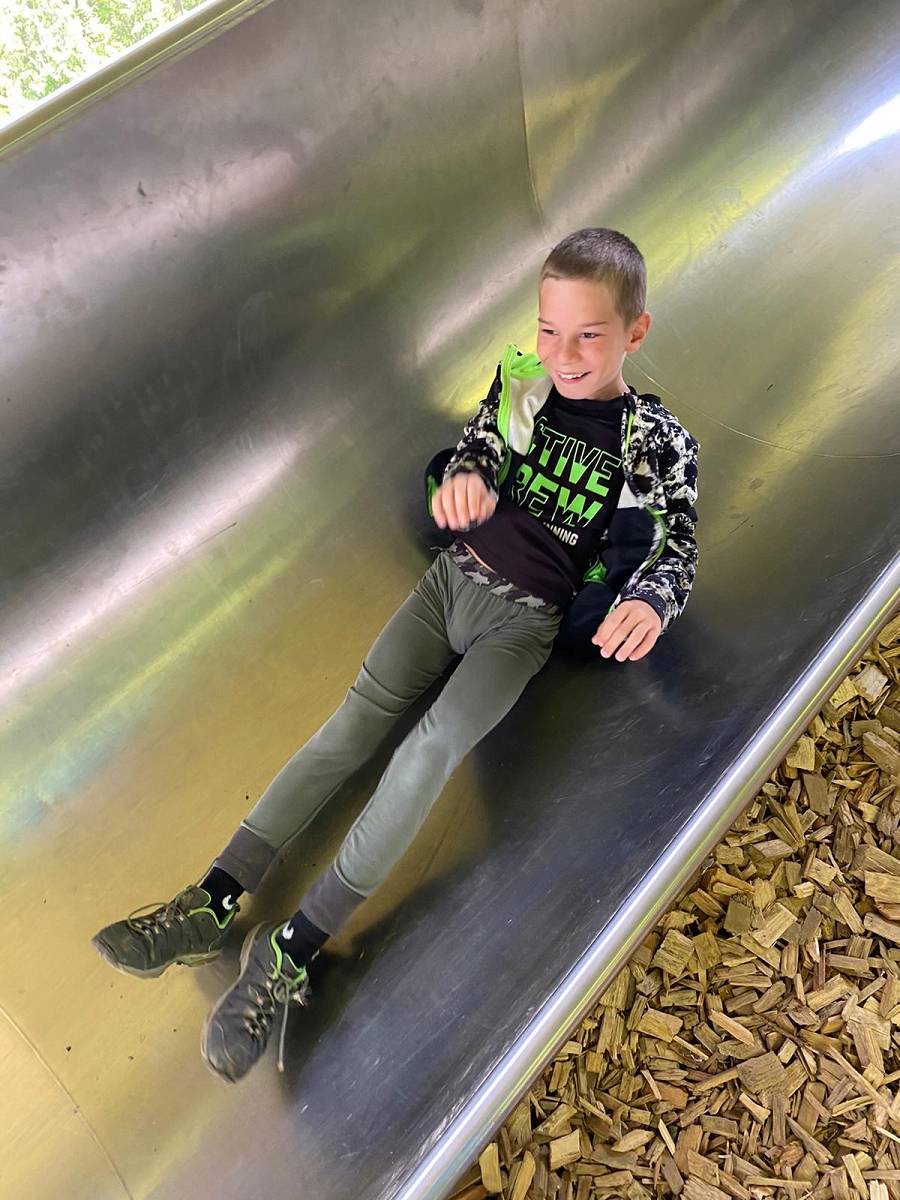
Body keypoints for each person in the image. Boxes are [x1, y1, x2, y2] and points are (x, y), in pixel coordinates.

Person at [92, 227, 700, 1084]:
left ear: (635, 332)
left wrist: (650, 597)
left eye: (589, 335)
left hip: (522, 627)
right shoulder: (524, 382)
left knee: (428, 752)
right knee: (349, 728)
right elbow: (477, 448)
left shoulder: (658, 440)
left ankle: (291, 949)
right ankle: (212, 901)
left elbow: (677, 544)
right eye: (548, 329)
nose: (563, 354)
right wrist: (465, 478)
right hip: (449, 584)